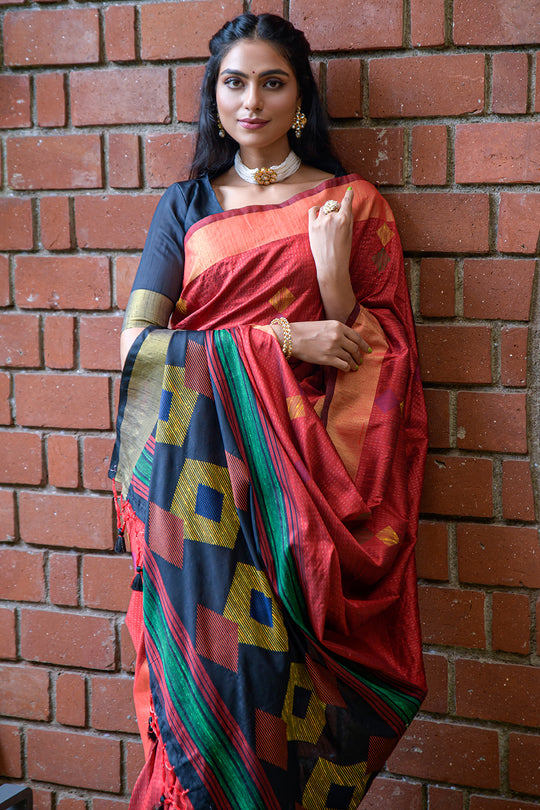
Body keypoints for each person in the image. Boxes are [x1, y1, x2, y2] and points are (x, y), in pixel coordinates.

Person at [109, 12, 428, 810]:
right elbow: (140, 350)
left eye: (272, 82)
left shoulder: (349, 205)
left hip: (306, 504)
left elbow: (378, 357)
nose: (251, 100)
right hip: (200, 498)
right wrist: (284, 336)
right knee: (222, 684)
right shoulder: (184, 208)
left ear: (301, 97)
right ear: (214, 95)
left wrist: (336, 280)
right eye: (234, 82)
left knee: (284, 688)